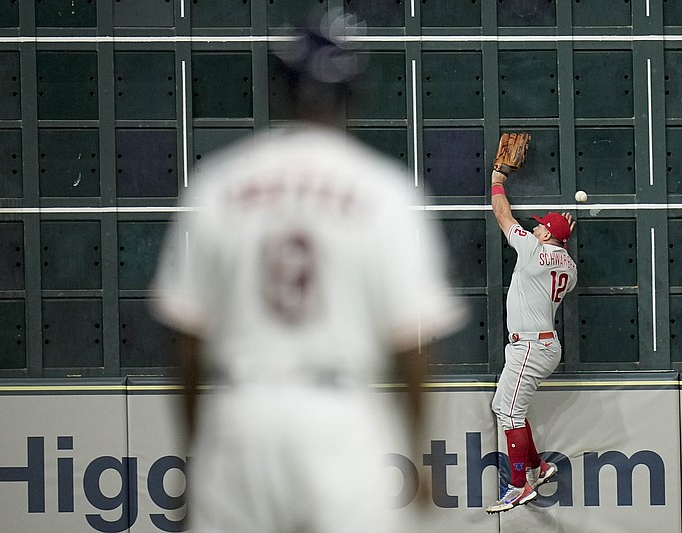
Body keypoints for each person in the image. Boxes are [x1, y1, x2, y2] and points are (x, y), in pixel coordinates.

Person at [151, 15, 463, 533]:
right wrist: (419, 454)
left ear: (281, 90)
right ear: (353, 95)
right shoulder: (385, 192)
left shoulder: (219, 182)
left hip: (239, 418)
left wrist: (192, 458)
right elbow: (414, 345)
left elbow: (184, 340)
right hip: (339, 416)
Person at [485, 165, 577, 514]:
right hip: (544, 344)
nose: (535, 225)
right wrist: (559, 233)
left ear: (547, 234)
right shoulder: (569, 266)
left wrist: (497, 181)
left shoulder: (531, 251)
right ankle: (538, 467)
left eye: (541, 225)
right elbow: (557, 252)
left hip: (530, 346)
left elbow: (502, 213)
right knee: (512, 409)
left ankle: (518, 485)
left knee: (506, 411)